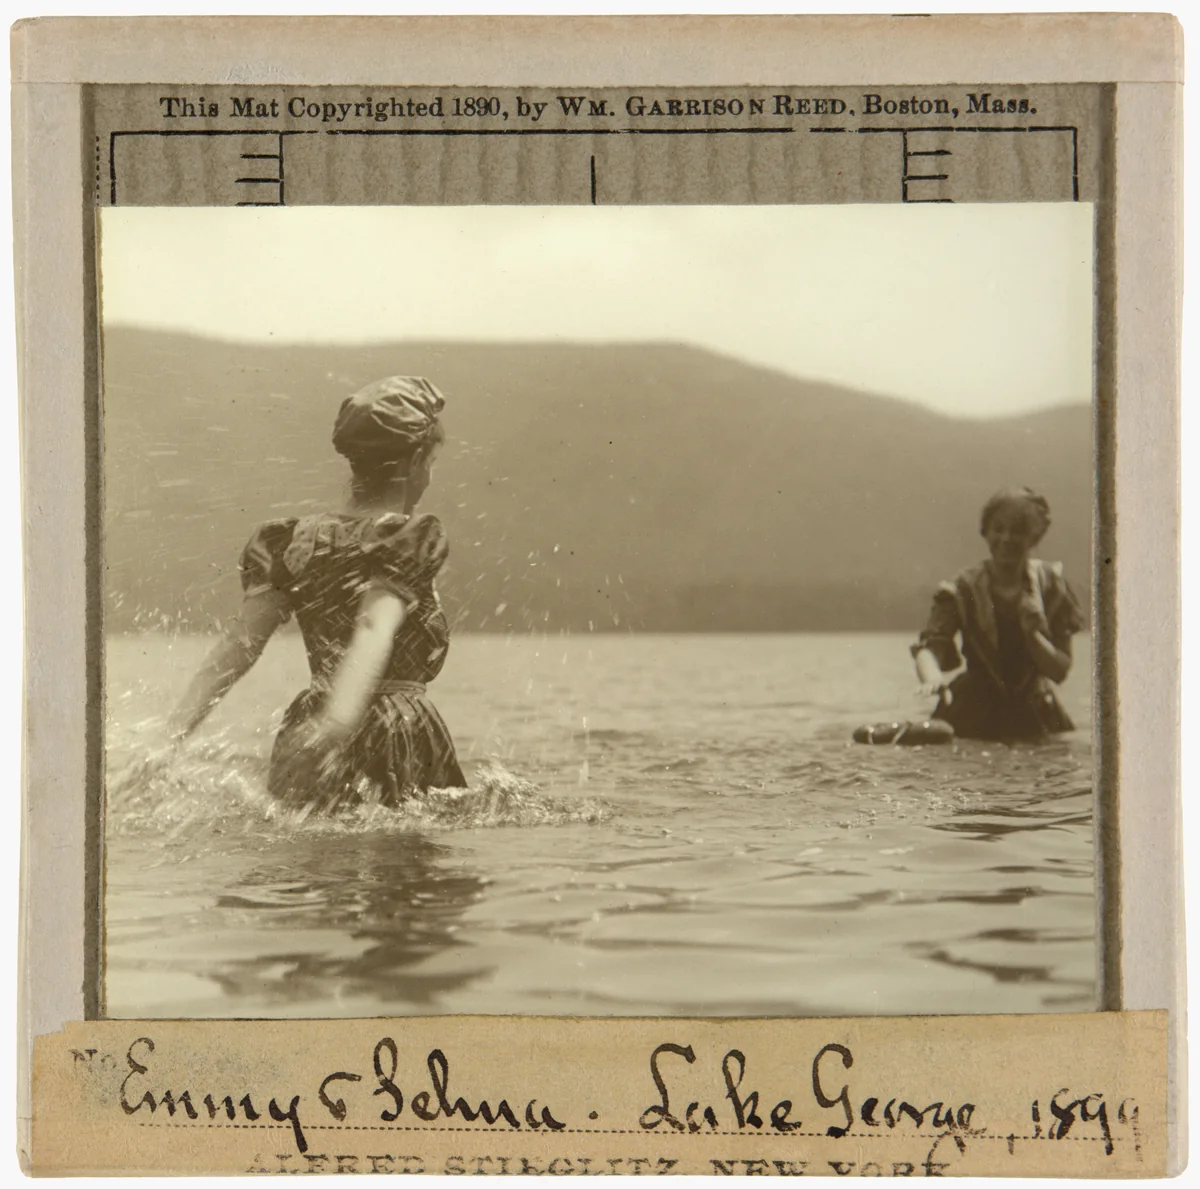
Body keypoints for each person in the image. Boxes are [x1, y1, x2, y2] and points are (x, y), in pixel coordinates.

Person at [150, 375, 467, 811]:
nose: (430, 474)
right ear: (415, 460)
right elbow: (374, 625)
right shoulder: (410, 536)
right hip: (392, 729)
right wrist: (337, 722)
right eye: (431, 461)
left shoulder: (292, 541)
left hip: (307, 720)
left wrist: (166, 742)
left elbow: (238, 647)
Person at [911, 487, 1085, 742]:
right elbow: (930, 649)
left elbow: (1059, 671)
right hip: (973, 707)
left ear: (1034, 536)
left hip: (1034, 707)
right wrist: (933, 678)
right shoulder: (962, 588)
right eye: (998, 528)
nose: (1006, 538)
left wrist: (1033, 635)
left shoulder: (1051, 586)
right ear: (985, 531)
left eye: (1018, 530)